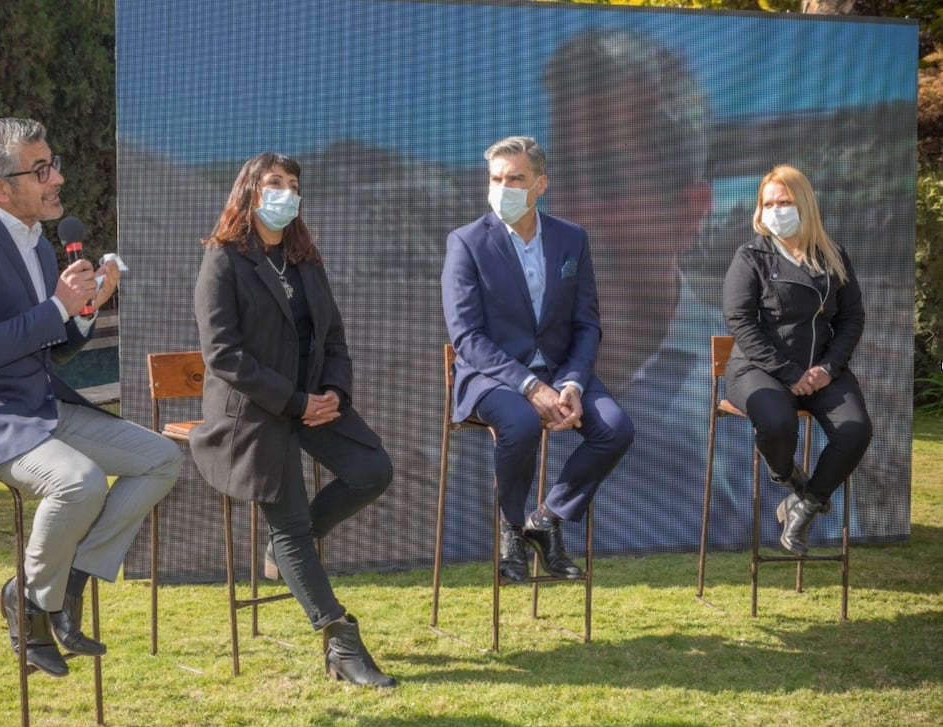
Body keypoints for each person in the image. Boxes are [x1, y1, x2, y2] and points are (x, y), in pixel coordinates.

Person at [0, 117, 182, 677]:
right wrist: (57, 307)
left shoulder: (35, 245)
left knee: (162, 458)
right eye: (41, 170)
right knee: (77, 481)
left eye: (53, 163)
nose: (57, 177)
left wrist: (85, 311)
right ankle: (29, 600)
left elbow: (50, 350)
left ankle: (68, 578)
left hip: (38, 405)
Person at [541, 28, 758, 553]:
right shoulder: (515, 370)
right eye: (566, 179)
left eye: (614, 180)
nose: (582, 216)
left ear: (691, 210)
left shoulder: (742, 375)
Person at [188, 153, 396, 687]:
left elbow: (333, 337)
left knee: (372, 470)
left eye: (293, 185)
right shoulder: (224, 259)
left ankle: (284, 548)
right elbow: (224, 358)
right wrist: (295, 402)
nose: (286, 192)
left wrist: (333, 393)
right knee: (292, 526)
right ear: (250, 192)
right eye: (275, 183)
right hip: (254, 412)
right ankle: (342, 643)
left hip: (311, 403)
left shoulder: (305, 257)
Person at [440, 135, 634, 584]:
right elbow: (466, 335)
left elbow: (587, 324)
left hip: (562, 372)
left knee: (616, 429)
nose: (503, 187)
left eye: (515, 178)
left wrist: (571, 384)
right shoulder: (466, 242)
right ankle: (511, 531)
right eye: (496, 178)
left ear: (540, 183)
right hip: (491, 376)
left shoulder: (571, 238)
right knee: (522, 424)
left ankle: (544, 521)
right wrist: (530, 387)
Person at [722, 165, 873, 554]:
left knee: (856, 430)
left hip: (822, 371)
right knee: (776, 422)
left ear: (803, 203)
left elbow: (852, 317)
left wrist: (828, 367)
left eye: (784, 202)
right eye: (768, 203)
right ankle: (787, 476)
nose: (775, 210)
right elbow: (739, 320)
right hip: (760, 370)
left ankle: (802, 506)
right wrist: (790, 374)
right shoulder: (751, 255)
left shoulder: (833, 255)